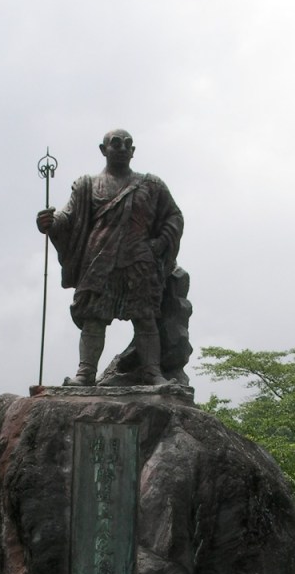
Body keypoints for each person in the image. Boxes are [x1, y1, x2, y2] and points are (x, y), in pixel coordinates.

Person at [36, 129, 184, 386]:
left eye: (128, 144)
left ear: (134, 151)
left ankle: (152, 372)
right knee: (93, 319)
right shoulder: (87, 185)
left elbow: (174, 216)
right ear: (104, 149)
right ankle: (85, 373)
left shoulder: (152, 185)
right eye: (116, 144)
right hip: (99, 259)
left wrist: (159, 244)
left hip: (139, 260)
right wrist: (50, 222)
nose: (123, 148)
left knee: (145, 317)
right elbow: (68, 218)